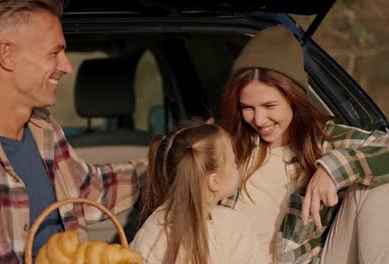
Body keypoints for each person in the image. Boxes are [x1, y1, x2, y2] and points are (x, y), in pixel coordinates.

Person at [0, 0, 146, 263]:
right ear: (7, 55)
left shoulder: (42, 127)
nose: (66, 66)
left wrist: (169, 161)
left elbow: (90, 191)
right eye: (54, 53)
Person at [220, 24, 389, 263]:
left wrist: (333, 169)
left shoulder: (324, 140)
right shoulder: (224, 146)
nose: (258, 119)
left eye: (269, 106)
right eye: (247, 108)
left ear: (294, 99)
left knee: (379, 181)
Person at [130, 120, 264, 264]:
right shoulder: (235, 227)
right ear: (214, 182)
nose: (237, 167)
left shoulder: (150, 236)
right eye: (233, 162)